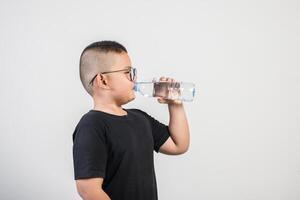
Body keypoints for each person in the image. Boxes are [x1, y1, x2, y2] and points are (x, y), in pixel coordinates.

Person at [72, 40, 190, 200]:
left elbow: (179, 145)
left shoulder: (140, 118)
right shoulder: (92, 125)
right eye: (127, 73)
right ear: (103, 81)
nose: (134, 79)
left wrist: (175, 104)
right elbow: (88, 190)